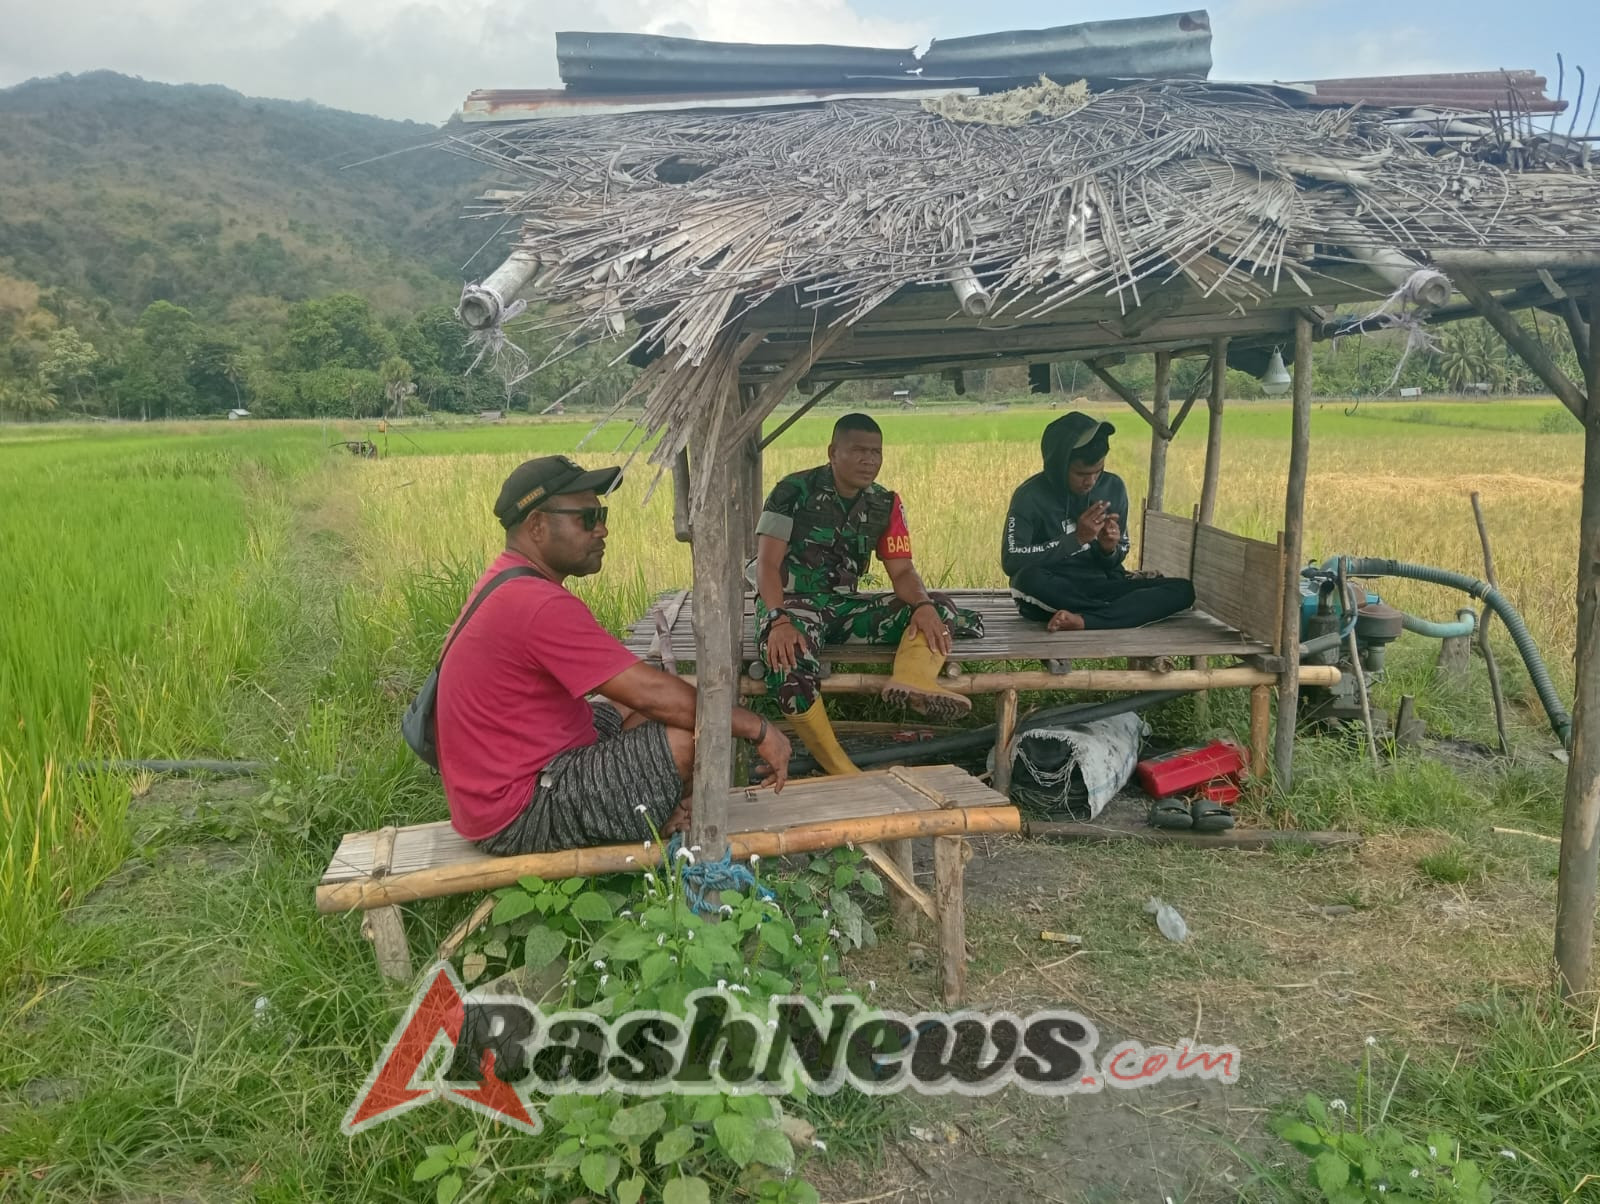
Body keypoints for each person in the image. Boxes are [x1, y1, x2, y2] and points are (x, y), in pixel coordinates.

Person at [435, 455, 791, 854]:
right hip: (519, 811)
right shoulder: (534, 604)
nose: (602, 529)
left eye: (601, 514)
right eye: (587, 518)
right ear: (536, 525)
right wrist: (757, 727)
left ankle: (655, 803)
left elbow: (640, 694)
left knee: (634, 710)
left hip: (517, 775)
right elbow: (653, 694)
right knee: (688, 736)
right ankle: (660, 812)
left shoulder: (510, 580)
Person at [754, 413, 984, 775]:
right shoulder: (792, 491)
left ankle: (913, 683)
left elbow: (903, 571)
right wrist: (776, 619)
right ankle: (842, 770)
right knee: (789, 662)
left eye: (876, 452)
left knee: (938, 608)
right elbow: (766, 566)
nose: (870, 460)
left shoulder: (885, 503)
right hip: (793, 606)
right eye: (859, 451)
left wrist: (922, 605)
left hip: (845, 608)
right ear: (833, 452)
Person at [1002, 412, 1195, 631]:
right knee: (1028, 579)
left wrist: (1108, 549)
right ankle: (1117, 614)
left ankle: (1084, 620)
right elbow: (1012, 560)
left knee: (1183, 590)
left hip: (1101, 586)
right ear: (1058, 466)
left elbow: (1117, 557)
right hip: (1052, 588)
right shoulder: (1029, 496)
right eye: (1081, 473)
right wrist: (1075, 539)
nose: (1091, 481)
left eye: (1098, 471)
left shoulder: (1113, 487)